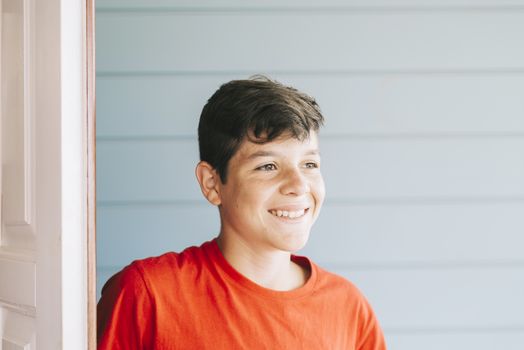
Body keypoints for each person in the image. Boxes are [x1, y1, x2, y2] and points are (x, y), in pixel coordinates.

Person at [97, 76, 387, 349]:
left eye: (309, 165)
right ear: (212, 184)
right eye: (268, 167)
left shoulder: (348, 307)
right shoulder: (146, 295)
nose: (298, 186)